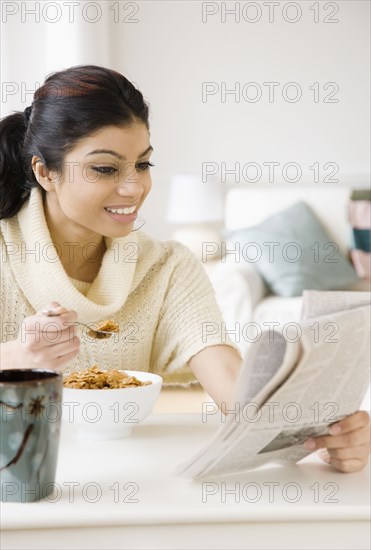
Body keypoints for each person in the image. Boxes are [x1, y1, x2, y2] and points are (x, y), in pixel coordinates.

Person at [0, 65, 369, 473]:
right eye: (105, 169)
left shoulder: (167, 267)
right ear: (44, 172)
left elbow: (234, 386)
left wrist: (320, 433)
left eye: (142, 165)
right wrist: (19, 355)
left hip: (126, 478)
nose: (133, 187)